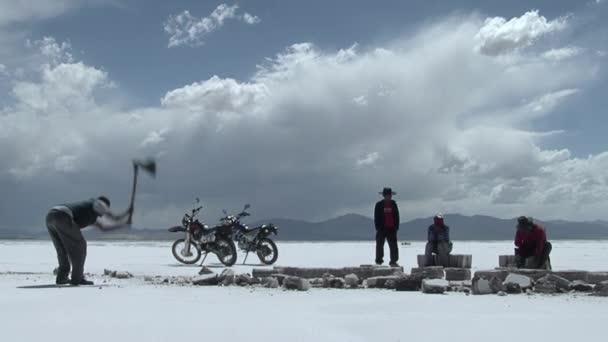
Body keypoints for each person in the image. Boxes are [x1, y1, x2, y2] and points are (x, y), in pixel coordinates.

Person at [46, 196, 132, 285]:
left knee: (62, 249)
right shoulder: (95, 205)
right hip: (63, 216)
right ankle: (77, 279)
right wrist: (124, 221)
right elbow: (111, 218)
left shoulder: (88, 211)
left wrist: (125, 217)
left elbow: (105, 226)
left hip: (51, 216)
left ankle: (62, 277)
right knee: (80, 246)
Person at [374, 187, 400, 267]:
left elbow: (397, 216)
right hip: (381, 228)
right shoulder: (379, 205)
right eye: (387, 195)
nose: (389, 197)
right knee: (379, 245)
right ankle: (379, 261)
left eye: (390, 195)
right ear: (384, 196)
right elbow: (376, 217)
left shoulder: (394, 205)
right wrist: (378, 228)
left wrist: (396, 227)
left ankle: (393, 261)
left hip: (392, 228)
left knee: (393, 246)